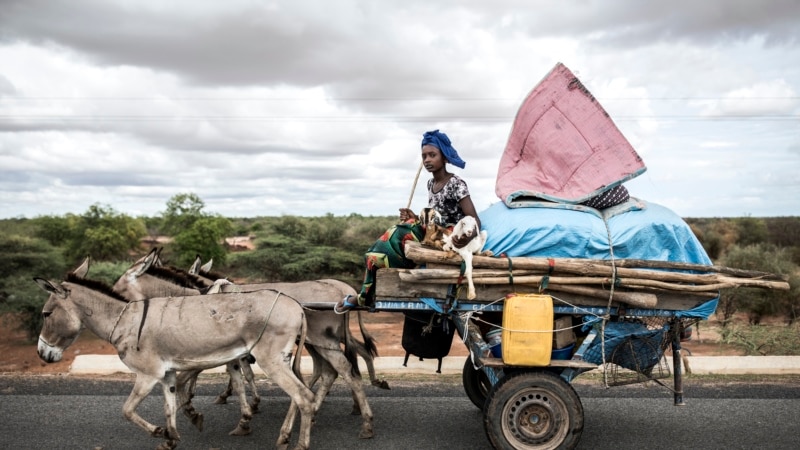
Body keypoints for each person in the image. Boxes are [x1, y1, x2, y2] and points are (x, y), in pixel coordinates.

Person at [335, 129, 480, 313]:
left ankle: (365, 294)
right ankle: (375, 270)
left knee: (396, 234)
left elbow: (474, 219)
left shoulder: (456, 183)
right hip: (432, 231)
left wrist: (466, 238)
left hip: (449, 234)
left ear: (444, 157)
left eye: (432, 155)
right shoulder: (431, 184)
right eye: (424, 156)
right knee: (396, 232)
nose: (427, 160)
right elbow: (433, 216)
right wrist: (414, 216)